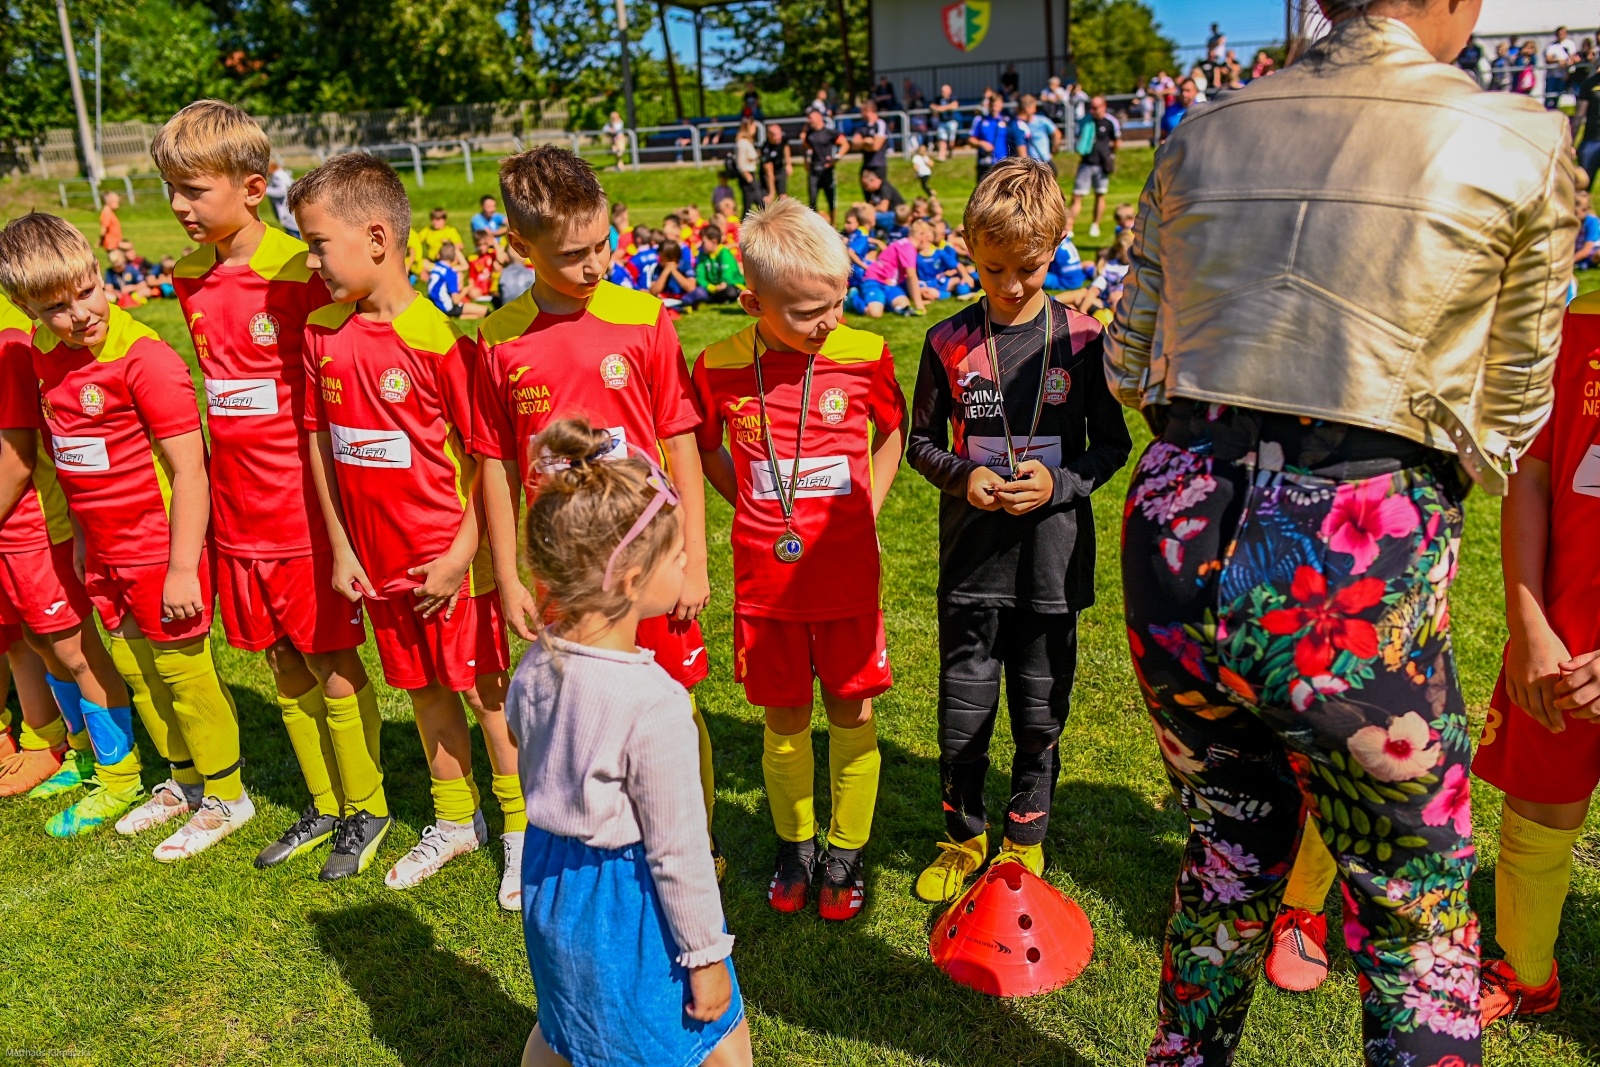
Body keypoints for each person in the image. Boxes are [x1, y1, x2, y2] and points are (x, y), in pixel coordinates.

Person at [1104, 0, 1575, 1060]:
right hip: (1356, 538)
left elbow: (1129, 363)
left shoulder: (1197, 133)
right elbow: (1512, 411)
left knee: (1229, 840)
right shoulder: (1523, 138)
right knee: (1413, 909)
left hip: (1177, 527)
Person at [472, 146, 721, 878]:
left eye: (603, 242)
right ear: (520, 247)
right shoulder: (496, 338)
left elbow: (679, 438)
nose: (595, 264)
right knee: (580, 703)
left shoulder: (644, 317)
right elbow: (497, 462)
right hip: (562, 571)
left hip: (652, 560)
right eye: (573, 254)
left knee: (674, 704)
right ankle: (605, 841)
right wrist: (511, 576)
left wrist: (695, 558)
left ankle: (695, 843)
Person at [154, 100, 388, 879]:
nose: (180, 208)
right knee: (279, 661)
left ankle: (369, 805)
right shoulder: (186, 278)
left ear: (252, 186)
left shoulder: (301, 271)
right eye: (171, 191)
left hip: (303, 508)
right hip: (236, 509)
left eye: (194, 191)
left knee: (329, 654)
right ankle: (323, 801)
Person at [291, 154, 525, 910]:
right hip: (377, 565)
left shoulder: (444, 342)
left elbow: (492, 463)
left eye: (320, 242)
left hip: (453, 568)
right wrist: (342, 545)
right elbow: (322, 443)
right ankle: (457, 819)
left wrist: (463, 556)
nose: (310, 258)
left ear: (379, 236)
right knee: (424, 693)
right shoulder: (321, 335)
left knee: (490, 697)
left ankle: (523, 833)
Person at [906, 158, 1130, 903]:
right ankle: (962, 837)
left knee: (1040, 710)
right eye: (993, 267)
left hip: (1051, 566)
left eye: (1027, 269)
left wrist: (1059, 483)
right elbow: (919, 440)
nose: (1009, 285)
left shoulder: (1084, 339)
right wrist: (961, 476)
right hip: (972, 562)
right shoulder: (946, 341)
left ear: (1059, 245)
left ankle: (1023, 840)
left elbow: (1112, 446)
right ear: (969, 248)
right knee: (962, 711)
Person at [0, 213, 248, 856]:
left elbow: (190, 470)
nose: (80, 313)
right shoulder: (46, 361)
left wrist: (183, 567)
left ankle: (227, 795)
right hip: (103, 551)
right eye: (56, 306)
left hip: (160, 550)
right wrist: (82, 540)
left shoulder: (147, 359)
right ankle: (182, 779)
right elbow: (75, 466)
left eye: (87, 290)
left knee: (183, 672)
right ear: (27, 309)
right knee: (139, 673)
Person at [510, 418, 751, 1067]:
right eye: (677, 555)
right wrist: (706, 959)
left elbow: (521, 742)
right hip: (629, 909)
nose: (689, 562)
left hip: (553, 888)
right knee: (712, 1036)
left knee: (566, 1023)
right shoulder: (656, 706)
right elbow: (681, 855)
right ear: (631, 576)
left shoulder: (533, 666)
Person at [692, 196, 906, 921]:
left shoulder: (867, 353)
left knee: (851, 709)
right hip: (766, 581)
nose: (829, 322)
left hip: (844, 574)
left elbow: (890, 434)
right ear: (753, 300)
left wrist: (864, 509)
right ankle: (797, 844)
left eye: (838, 302)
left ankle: (846, 851)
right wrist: (749, 505)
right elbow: (707, 446)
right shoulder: (718, 364)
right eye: (809, 311)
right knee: (783, 718)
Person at [1466, 287, 1600, 1026]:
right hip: (1564, 643)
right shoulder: (1576, 327)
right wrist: (1528, 623)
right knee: (1538, 812)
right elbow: (1535, 475)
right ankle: (1524, 971)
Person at [0, 289, 132, 814]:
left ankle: (119, 773)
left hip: (36, 524)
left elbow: (18, 457)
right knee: (38, 640)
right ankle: (77, 751)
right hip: (12, 528)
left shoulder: (9, 340)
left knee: (75, 648)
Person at [1067, 96, 1120, 238]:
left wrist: (1109, 155)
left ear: (1103, 106)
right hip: (1086, 162)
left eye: (1096, 107)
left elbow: (1116, 141)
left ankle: (1095, 225)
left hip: (1102, 165)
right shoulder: (1085, 121)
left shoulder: (1110, 122)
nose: (1093, 110)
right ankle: (1069, 226)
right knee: (1077, 195)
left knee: (1100, 194)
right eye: (1091, 107)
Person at [851, 224, 925, 318]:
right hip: (874, 279)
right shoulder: (908, 247)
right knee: (875, 313)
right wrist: (920, 306)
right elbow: (911, 276)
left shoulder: (905, 244)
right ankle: (853, 297)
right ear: (921, 235)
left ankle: (882, 301)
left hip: (890, 283)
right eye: (929, 239)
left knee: (904, 306)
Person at [801, 110, 847, 225]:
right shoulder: (809, 133)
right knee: (812, 200)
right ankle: (814, 225)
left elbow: (845, 144)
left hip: (827, 170)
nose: (809, 120)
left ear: (818, 118)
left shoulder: (829, 132)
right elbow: (805, 146)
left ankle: (834, 224)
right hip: (814, 170)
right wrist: (806, 161)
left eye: (810, 118)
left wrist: (836, 158)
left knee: (831, 199)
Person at [1009, 94, 1060, 170]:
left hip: (1044, 161)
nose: (1035, 110)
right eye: (1034, 107)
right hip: (1031, 163)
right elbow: (1021, 148)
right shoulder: (1020, 125)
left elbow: (1057, 133)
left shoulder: (1041, 120)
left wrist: (1053, 151)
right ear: (1027, 108)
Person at [968, 94, 1010, 185]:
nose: (994, 108)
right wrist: (981, 143)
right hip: (985, 163)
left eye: (997, 105)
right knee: (982, 193)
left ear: (1001, 105)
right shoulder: (980, 120)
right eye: (992, 105)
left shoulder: (1007, 121)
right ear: (989, 105)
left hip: (1003, 163)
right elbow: (971, 139)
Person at [696, 225, 745, 304]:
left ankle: (714, 299)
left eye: (703, 242)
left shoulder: (724, 253)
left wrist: (723, 284)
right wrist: (711, 287)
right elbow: (700, 277)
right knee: (699, 291)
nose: (701, 245)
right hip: (714, 287)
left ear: (714, 241)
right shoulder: (702, 255)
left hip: (730, 285)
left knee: (730, 292)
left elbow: (727, 276)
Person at [851, 99, 890, 193]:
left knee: (880, 195)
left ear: (867, 110)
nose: (860, 113)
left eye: (862, 111)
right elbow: (854, 145)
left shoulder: (880, 124)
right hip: (866, 165)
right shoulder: (862, 127)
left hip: (878, 166)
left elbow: (876, 146)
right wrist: (866, 142)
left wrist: (863, 144)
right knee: (868, 197)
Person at [1570, 59, 1600, 177]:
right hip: (1592, 139)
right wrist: (1571, 144)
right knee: (1582, 185)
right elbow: (1579, 115)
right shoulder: (1590, 83)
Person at [734, 119, 762, 217]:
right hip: (747, 176)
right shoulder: (742, 143)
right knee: (750, 205)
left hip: (751, 174)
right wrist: (746, 175)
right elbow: (740, 162)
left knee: (758, 203)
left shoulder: (747, 142)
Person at [1160, 79, 1199, 143]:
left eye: (1187, 91)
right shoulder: (1170, 111)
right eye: (1182, 90)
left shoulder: (1203, 110)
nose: (1184, 94)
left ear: (1196, 92)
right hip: (1174, 149)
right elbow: (1163, 135)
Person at [265, 160, 298, 237]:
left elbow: (281, 191)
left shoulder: (276, 176)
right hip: (290, 205)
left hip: (285, 207)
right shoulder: (282, 173)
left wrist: (266, 190)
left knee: (292, 231)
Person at [1546, 27, 1576, 109]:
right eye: (1559, 34)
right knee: (1549, 96)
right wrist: (1558, 60)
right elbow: (1548, 59)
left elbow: (1573, 58)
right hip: (1553, 75)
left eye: (1563, 33)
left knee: (1560, 96)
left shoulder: (1570, 44)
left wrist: (1566, 64)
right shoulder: (1552, 45)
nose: (1561, 35)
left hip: (1565, 74)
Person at [760, 124, 791, 204]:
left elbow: (786, 147)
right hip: (767, 175)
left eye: (779, 134)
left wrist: (788, 164)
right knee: (767, 200)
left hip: (780, 170)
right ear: (769, 135)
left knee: (783, 197)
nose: (778, 137)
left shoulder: (782, 138)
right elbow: (769, 173)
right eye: (774, 135)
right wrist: (772, 192)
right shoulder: (766, 149)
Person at [930, 85, 962, 160]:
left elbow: (954, 105)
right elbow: (932, 106)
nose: (942, 93)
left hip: (952, 122)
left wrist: (940, 109)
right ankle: (942, 156)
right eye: (942, 91)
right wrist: (945, 108)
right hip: (942, 122)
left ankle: (950, 153)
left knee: (951, 141)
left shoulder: (953, 97)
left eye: (944, 91)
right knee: (942, 139)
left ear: (949, 91)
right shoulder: (938, 99)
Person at [1575, 190, 1600, 269]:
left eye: (1575, 212)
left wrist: (1570, 261)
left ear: (1586, 210)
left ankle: (1583, 264)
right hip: (1575, 252)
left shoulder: (1592, 222)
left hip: (1591, 252)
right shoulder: (1568, 222)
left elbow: (1587, 249)